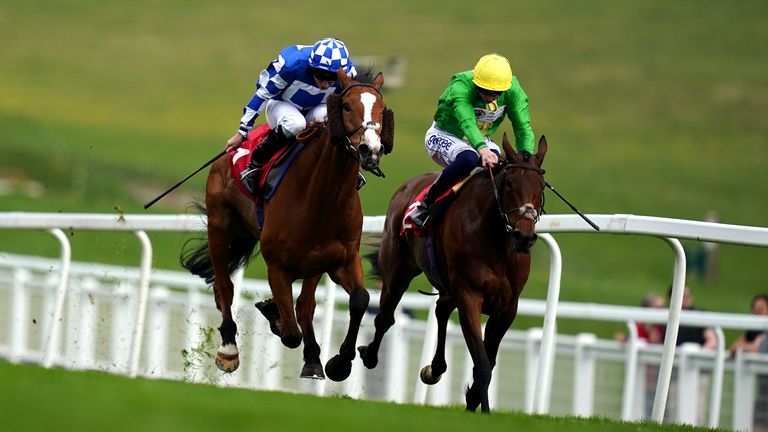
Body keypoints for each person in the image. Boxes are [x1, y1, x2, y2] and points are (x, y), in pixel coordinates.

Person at [410, 53, 535, 229]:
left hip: (480, 139)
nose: (491, 97)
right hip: (445, 135)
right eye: (485, 91)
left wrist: (526, 157)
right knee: (468, 159)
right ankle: (426, 204)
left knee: (500, 167)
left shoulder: (513, 89)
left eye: (497, 93)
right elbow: (467, 121)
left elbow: (522, 127)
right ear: (476, 83)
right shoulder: (460, 85)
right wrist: (482, 148)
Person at [223, 38, 358, 194]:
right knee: (296, 124)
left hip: (316, 108)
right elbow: (262, 95)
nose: (325, 85)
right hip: (281, 104)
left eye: (332, 78)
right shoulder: (292, 66)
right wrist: (242, 131)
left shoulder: (349, 72)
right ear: (311, 67)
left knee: (336, 116)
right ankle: (255, 164)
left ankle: (352, 167)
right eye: (321, 75)